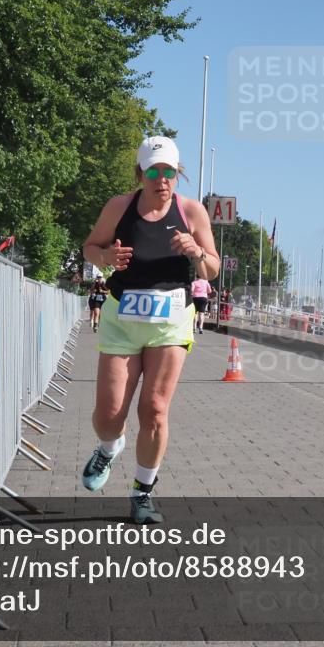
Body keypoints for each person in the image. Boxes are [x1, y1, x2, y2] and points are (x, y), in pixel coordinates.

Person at [80, 136, 220, 525]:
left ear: (178, 174)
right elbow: (90, 246)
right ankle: (108, 448)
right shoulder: (120, 207)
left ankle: (142, 493)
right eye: (154, 172)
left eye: (170, 172)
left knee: (155, 409)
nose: (162, 180)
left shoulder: (191, 212)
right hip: (122, 320)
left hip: (171, 322)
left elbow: (212, 269)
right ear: (141, 174)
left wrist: (196, 252)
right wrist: (105, 256)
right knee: (109, 414)